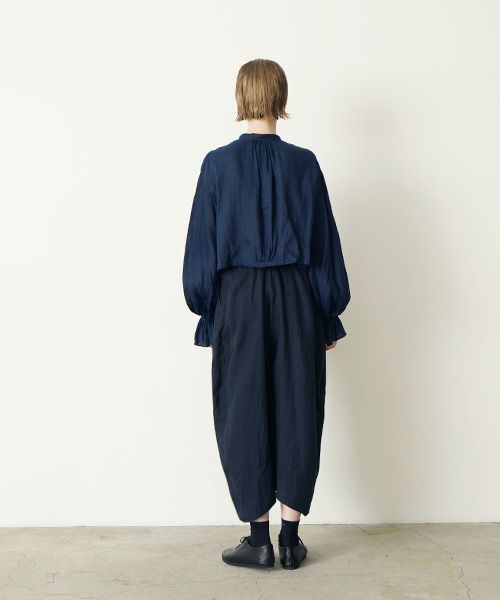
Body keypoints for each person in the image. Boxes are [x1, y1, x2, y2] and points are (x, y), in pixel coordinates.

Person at [182, 58, 350, 570]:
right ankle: (291, 540)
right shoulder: (305, 164)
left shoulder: (217, 165)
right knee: (299, 405)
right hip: (297, 296)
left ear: (240, 97)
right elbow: (323, 246)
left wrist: (206, 308)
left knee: (242, 409)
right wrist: (328, 311)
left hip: (238, 298)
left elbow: (202, 248)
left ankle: (258, 541)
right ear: (281, 97)